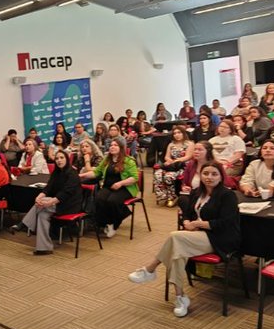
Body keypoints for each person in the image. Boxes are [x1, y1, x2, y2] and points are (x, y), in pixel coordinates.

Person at [128, 159, 240, 317]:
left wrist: (200, 224)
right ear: (200, 175)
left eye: (214, 174)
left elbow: (227, 222)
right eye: (206, 173)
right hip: (196, 236)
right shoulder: (197, 192)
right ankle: (180, 297)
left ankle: (150, 269)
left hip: (219, 238)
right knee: (178, 253)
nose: (209, 177)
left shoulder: (227, 195)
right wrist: (187, 221)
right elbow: (187, 212)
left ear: (221, 176)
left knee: (175, 237)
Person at [12, 149, 83, 254]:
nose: (59, 160)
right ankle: (44, 248)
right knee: (42, 215)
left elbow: (65, 194)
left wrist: (48, 202)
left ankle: (24, 223)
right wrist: (39, 197)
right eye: (57, 158)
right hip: (57, 203)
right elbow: (48, 188)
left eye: (62, 158)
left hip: (70, 205)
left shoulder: (72, 174)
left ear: (67, 159)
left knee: (43, 204)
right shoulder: (56, 172)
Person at [89, 138, 139, 237]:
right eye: (111, 145)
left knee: (112, 201)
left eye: (115, 145)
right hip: (109, 187)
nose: (112, 147)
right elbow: (96, 172)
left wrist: (121, 183)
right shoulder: (106, 160)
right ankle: (109, 221)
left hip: (125, 188)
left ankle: (114, 224)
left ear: (121, 148)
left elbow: (135, 177)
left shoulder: (129, 161)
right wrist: (81, 176)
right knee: (99, 198)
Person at [153, 125, 193, 206]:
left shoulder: (190, 143)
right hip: (172, 165)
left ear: (183, 133)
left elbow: (188, 156)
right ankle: (163, 195)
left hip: (183, 166)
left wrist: (175, 161)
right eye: (174, 133)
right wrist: (169, 160)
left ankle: (172, 197)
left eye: (179, 133)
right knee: (157, 174)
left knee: (169, 176)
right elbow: (166, 156)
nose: (176, 135)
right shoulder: (171, 144)